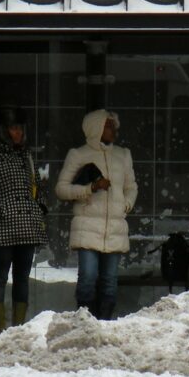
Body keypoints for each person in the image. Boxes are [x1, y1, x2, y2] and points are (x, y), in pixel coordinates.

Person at [55, 109, 138, 320]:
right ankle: (85, 322)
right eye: (108, 126)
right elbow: (61, 189)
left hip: (114, 227)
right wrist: (90, 188)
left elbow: (131, 186)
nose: (114, 130)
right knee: (88, 278)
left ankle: (105, 324)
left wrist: (125, 205)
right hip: (87, 226)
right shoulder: (79, 154)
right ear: (96, 128)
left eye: (113, 126)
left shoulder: (123, 154)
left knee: (110, 280)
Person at [0, 106, 47, 332]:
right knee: (0, 276)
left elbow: (35, 184)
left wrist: (40, 204)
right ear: (2, 130)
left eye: (20, 128)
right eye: (14, 128)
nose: (19, 133)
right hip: (2, 225)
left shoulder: (26, 154)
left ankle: (18, 328)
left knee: (22, 278)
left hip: (27, 226)